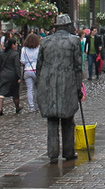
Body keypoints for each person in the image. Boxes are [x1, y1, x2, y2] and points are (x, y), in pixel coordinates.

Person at [36, 14, 83, 164]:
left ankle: (53, 153)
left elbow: (39, 65)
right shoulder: (74, 41)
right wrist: (78, 87)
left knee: (52, 120)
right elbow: (77, 67)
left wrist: (41, 84)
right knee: (68, 119)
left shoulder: (45, 41)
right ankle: (68, 152)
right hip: (67, 84)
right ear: (68, 26)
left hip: (48, 84)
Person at [0, 38, 22, 115]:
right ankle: (17, 107)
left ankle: (0, 109)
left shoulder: (2, 53)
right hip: (12, 76)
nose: (16, 45)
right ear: (12, 45)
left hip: (3, 75)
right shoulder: (15, 54)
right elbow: (17, 66)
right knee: (15, 93)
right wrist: (19, 76)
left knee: (1, 92)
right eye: (16, 44)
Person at [21, 33, 40, 112]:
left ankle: (31, 107)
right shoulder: (38, 48)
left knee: (29, 89)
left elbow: (22, 60)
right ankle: (37, 105)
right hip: (36, 70)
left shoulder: (24, 49)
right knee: (37, 89)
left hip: (27, 70)